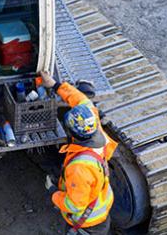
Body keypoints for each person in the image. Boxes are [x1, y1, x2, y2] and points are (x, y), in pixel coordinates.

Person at [40, 71, 118, 235]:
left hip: (87, 224)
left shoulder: (80, 167)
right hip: (100, 207)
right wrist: (55, 85)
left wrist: (54, 193)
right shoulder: (93, 126)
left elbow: (74, 206)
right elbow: (82, 101)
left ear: (71, 133)